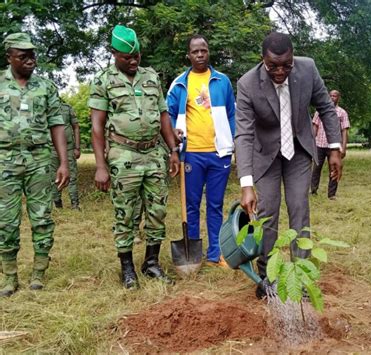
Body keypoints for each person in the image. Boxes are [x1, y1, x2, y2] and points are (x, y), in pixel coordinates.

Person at [235, 32, 342, 298]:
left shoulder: (307, 69)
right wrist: (246, 184)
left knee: (299, 209)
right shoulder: (248, 84)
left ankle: (300, 274)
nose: (280, 71)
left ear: (293, 58)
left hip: (298, 152)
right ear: (263, 60)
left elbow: (326, 109)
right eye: (273, 66)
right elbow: (244, 134)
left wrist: (334, 149)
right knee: (267, 213)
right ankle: (266, 276)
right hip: (266, 156)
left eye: (286, 65)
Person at [88, 25, 179, 289]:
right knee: (125, 213)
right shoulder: (103, 81)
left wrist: (173, 150)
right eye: (127, 57)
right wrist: (101, 166)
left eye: (136, 56)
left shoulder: (151, 77)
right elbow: (96, 127)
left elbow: (164, 116)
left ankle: (151, 263)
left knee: (157, 210)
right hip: (122, 155)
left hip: (153, 154)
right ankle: (127, 268)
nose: (133, 61)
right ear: (114, 54)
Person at [0, 33, 69, 297]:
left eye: (33, 55)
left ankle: (38, 273)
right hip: (5, 160)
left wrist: (63, 162)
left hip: (39, 160)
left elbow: (57, 124)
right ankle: (9, 276)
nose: (30, 60)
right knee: (6, 221)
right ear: (9, 57)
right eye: (23, 56)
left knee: (41, 218)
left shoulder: (46, 87)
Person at [167, 34, 235, 267]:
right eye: (195, 51)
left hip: (218, 154)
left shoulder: (222, 81)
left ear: (208, 52)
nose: (200, 55)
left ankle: (216, 254)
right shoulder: (179, 84)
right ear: (189, 55)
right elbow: (167, 117)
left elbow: (231, 114)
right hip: (191, 154)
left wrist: (230, 143)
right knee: (191, 205)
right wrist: (173, 147)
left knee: (215, 204)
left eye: (203, 50)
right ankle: (193, 253)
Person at [311, 90, 350, 200]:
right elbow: (315, 127)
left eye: (335, 96)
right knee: (316, 168)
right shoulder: (319, 111)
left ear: (339, 98)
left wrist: (344, 147)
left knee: (334, 169)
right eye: (331, 95)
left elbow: (344, 131)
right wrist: (311, 142)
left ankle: (331, 194)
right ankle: (313, 190)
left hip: (334, 146)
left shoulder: (342, 113)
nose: (332, 97)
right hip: (320, 144)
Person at [51, 100, 81, 210]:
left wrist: (77, 147)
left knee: (72, 177)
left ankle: (75, 205)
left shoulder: (67, 108)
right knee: (53, 178)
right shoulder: (44, 108)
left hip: (68, 148)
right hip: (51, 148)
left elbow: (76, 127)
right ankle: (57, 203)